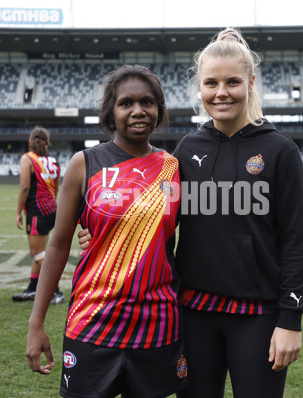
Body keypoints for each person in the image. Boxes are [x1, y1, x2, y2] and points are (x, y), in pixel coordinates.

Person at [26, 65, 187, 398]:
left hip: (157, 325)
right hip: (93, 321)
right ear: (111, 113)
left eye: (147, 102)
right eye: (126, 103)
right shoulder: (84, 164)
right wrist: (36, 322)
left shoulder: (173, 168)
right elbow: (57, 247)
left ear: (159, 109)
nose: (138, 110)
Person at [171, 27, 303, 398]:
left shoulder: (281, 151)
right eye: (211, 83)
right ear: (199, 88)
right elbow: (160, 224)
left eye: (232, 82)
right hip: (193, 314)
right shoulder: (185, 150)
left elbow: (295, 240)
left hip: (259, 318)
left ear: (250, 82)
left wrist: (290, 320)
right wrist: (100, 234)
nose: (221, 93)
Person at [13, 127, 64, 304]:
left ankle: (56, 291)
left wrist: (18, 211)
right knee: (40, 251)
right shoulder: (54, 161)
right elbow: (56, 188)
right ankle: (33, 288)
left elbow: (25, 187)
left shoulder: (27, 158)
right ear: (48, 142)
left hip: (36, 211)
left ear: (30, 141)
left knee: (37, 253)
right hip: (51, 210)